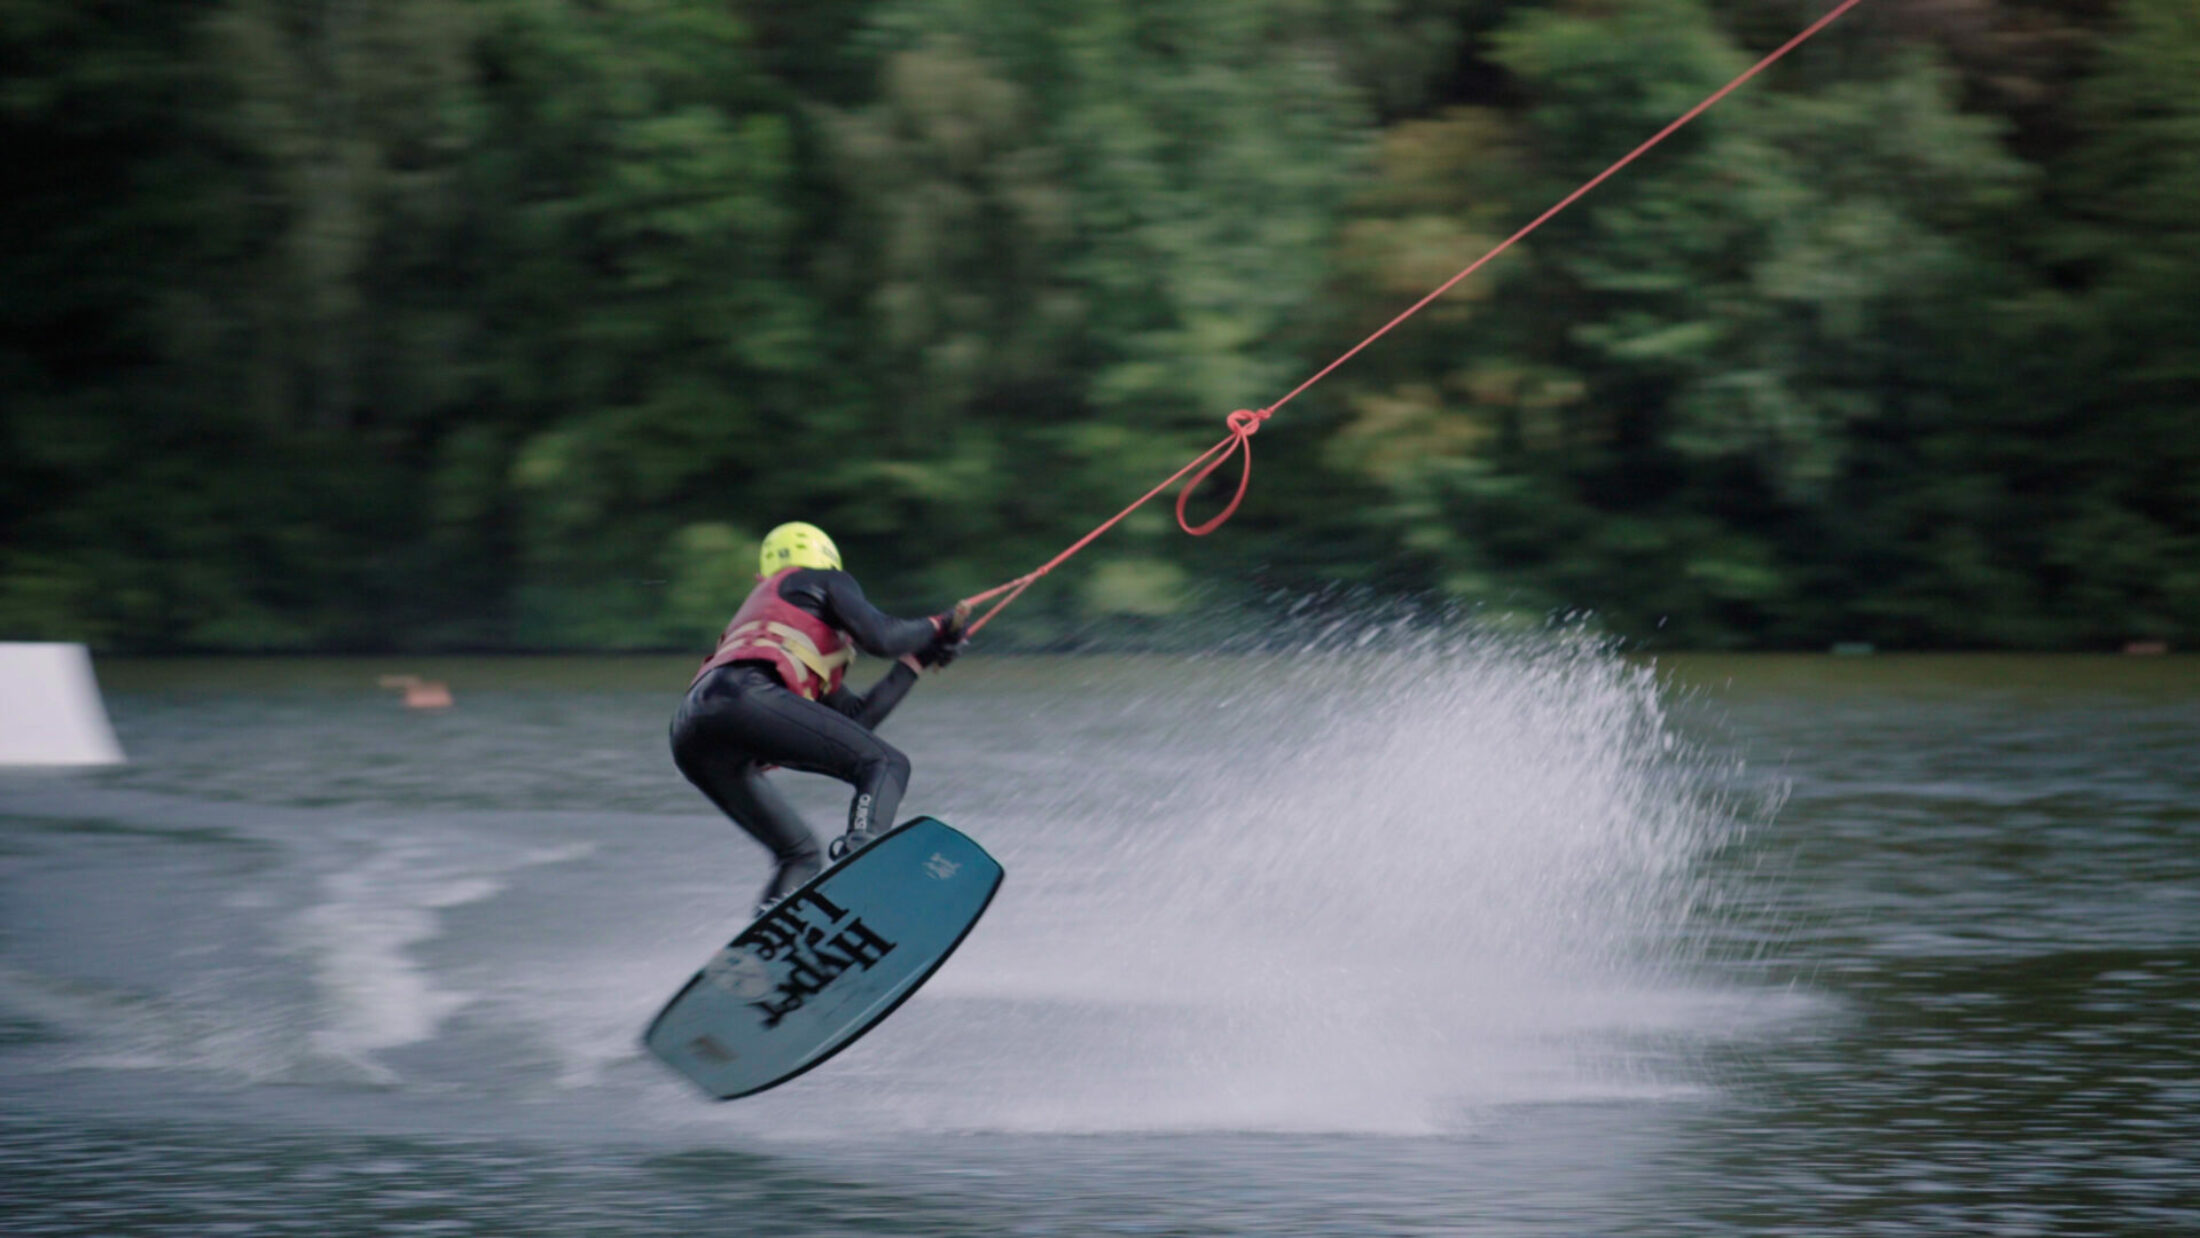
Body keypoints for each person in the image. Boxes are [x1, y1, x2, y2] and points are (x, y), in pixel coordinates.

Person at [671, 522, 968, 918]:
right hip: (744, 697)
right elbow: (881, 637)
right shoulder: (823, 579)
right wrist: (938, 625)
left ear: (764, 572)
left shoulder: (787, 625)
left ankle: (761, 955)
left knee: (799, 853)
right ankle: (861, 861)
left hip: (693, 728)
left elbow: (854, 722)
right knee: (887, 764)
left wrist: (916, 661)